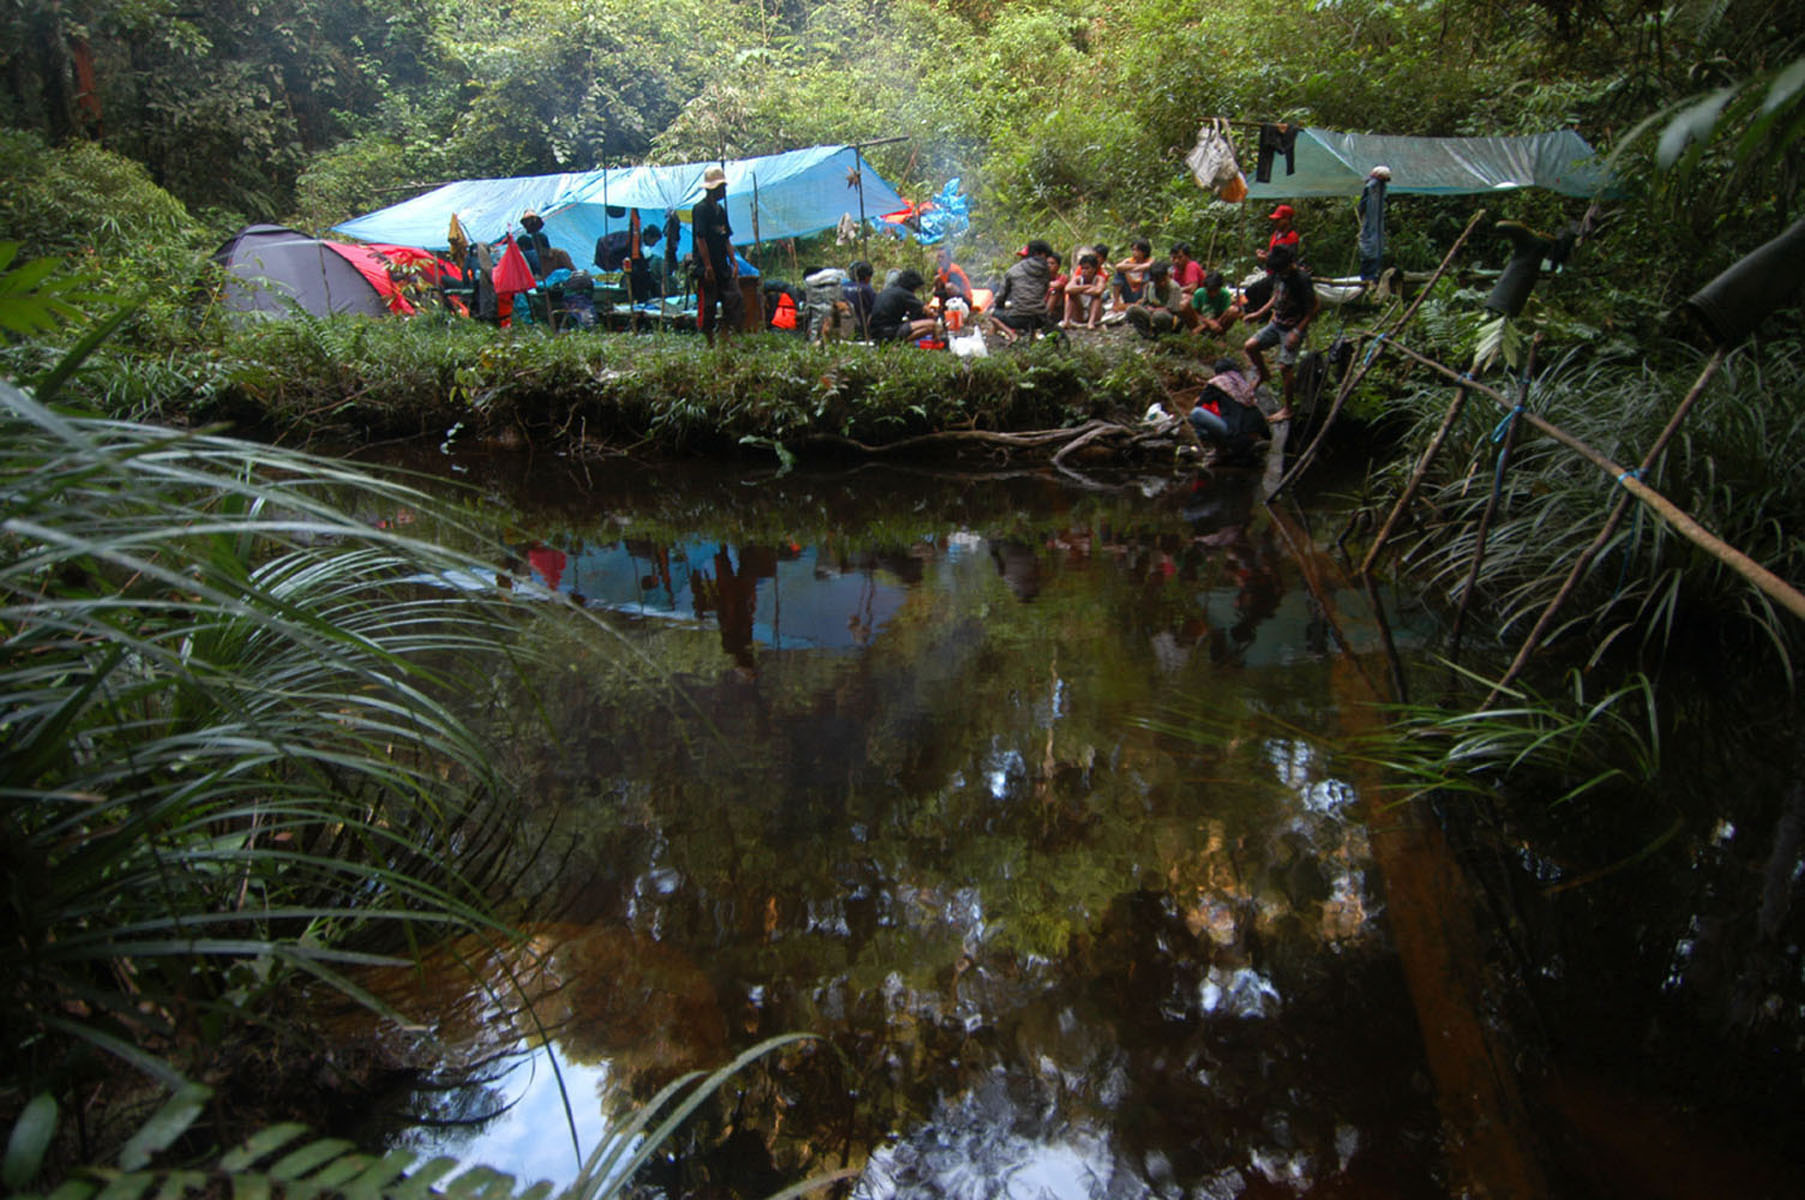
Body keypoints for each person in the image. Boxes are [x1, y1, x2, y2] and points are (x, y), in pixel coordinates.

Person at [1241, 243, 1317, 421]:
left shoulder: (1301, 280)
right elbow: (1275, 296)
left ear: (1289, 265)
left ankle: (1288, 408)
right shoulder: (1279, 274)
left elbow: (1313, 308)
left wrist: (1297, 332)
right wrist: (1258, 314)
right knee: (1250, 346)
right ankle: (1264, 374)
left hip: (1293, 326)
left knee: (1285, 367)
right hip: (1277, 323)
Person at [690, 165, 742, 345]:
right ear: (714, 189)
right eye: (722, 188)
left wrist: (734, 261)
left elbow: (726, 238)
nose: (724, 191)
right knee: (709, 305)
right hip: (706, 266)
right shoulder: (700, 209)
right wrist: (707, 265)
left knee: (733, 298)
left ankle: (725, 333)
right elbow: (700, 239)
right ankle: (709, 339)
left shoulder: (720, 211)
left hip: (722, 264)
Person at [1187, 356, 1269, 461]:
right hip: (1251, 439)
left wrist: (1204, 393)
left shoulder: (1217, 383)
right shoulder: (1242, 384)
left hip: (1236, 437)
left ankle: (1221, 450)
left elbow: (1198, 403)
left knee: (1196, 414)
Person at [990, 240, 1056, 344]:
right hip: (1040, 318)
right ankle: (1032, 339)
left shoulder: (1013, 270)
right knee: (1033, 310)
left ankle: (1012, 335)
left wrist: (999, 304)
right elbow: (1044, 290)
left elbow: (1002, 295)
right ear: (1041, 254)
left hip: (1019, 318)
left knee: (994, 314)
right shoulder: (1046, 271)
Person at [868, 267, 939, 343]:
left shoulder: (887, 292)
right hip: (889, 331)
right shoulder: (904, 293)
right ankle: (900, 342)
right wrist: (937, 317)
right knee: (932, 325)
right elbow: (929, 312)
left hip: (875, 332)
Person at [1124, 259, 1188, 338]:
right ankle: (1146, 333)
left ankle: (1164, 334)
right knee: (1132, 309)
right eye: (1157, 281)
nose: (1161, 283)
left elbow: (1173, 309)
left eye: (1163, 279)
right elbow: (1145, 302)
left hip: (1168, 317)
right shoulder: (1149, 287)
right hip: (1151, 313)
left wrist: (1155, 310)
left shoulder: (1174, 287)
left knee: (1159, 316)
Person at [1357, 165, 1390, 281]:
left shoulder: (1380, 189)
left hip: (1376, 232)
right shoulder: (1372, 187)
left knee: (1373, 253)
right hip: (1370, 230)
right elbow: (1362, 207)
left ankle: (1370, 279)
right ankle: (1367, 279)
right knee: (1369, 254)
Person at [1188, 269, 1242, 339]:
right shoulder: (1199, 293)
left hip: (1218, 323)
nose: (1213, 294)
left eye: (1215, 290)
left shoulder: (1225, 294)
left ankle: (1220, 335)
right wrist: (1208, 322)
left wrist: (1209, 324)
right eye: (1209, 291)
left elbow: (1225, 314)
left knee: (1233, 310)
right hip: (1201, 321)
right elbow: (1196, 313)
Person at [1061, 252, 1109, 329]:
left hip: (1093, 312)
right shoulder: (1077, 279)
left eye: (1087, 268)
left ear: (1094, 269)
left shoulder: (1099, 279)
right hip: (1079, 312)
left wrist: (1078, 289)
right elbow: (1067, 289)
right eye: (1082, 268)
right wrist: (1087, 287)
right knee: (1071, 295)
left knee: (1097, 297)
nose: (1084, 271)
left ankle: (1091, 322)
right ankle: (1066, 321)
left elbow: (1098, 291)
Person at [1111, 239, 1153, 310]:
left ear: (1144, 252)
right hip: (1130, 292)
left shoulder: (1150, 261)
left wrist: (1129, 267)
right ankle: (1116, 302)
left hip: (1142, 292)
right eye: (1133, 250)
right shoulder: (1129, 260)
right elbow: (1118, 267)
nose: (1134, 253)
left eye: (1137, 250)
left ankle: (1143, 301)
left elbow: (1148, 266)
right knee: (1119, 274)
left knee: (1148, 273)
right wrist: (1138, 267)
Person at [843, 260, 878, 338]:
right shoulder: (867, 289)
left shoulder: (842, 286)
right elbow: (876, 308)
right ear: (867, 277)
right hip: (860, 329)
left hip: (843, 326)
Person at [518, 210, 553, 277]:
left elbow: (548, 253)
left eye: (533, 220)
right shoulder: (522, 238)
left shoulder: (542, 236)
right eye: (528, 221)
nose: (531, 223)